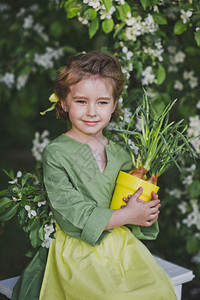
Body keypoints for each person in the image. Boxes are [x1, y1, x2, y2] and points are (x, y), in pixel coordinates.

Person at [12, 51, 177, 300]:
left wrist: (145, 213)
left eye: (101, 102)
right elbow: (71, 215)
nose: (92, 111)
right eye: (81, 101)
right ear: (64, 103)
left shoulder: (122, 155)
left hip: (121, 247)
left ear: (113, 105)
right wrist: (127, 214)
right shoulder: (57, 153)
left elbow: (129, 208)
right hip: (77, 250)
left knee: (158, 290)